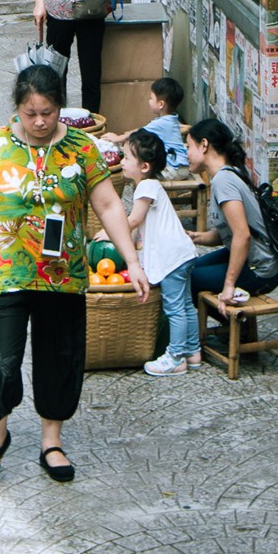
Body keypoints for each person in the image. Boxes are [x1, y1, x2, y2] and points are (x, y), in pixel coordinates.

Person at [0, 62, 148, 485]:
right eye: (30, 113)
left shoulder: (80, 148)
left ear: (60, 109)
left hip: (63, 275)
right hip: (5, 273)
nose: (38, 122)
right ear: (16, 108)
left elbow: (107, 206)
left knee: (60, 359)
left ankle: (52, 441)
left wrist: (133, 261)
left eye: (48, 112)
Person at [119, 130, 201, 376]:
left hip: (171, 258)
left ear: (144, 166)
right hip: (182, 254)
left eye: (126, 158)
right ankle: (193, 351)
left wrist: (110, 233)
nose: (121, 162)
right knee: (186, 305)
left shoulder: (146, 186)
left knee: (174, 307)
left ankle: (175, 356)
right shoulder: (151, 185)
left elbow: (133, 220)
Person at [183, 118, 278, 318]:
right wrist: (194, 237)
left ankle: (234, 329)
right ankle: (235, 331)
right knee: (187, 267)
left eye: (188, 146)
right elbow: (225, 233)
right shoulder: (226, 175)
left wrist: (228, 286)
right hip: (248, 259)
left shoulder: (223, 181)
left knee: (183, 279)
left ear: (204, 145)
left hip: (260, 268)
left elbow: (242, 236)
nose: (186, 154)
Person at [143, 75, 190, 166]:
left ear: (161, 104)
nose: (149, 101)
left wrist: (119, 138)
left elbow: (140, 134)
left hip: (173, 167)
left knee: (145, 170)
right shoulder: (173, 119)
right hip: (182, 165)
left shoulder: (161, 123)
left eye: (151, 98)